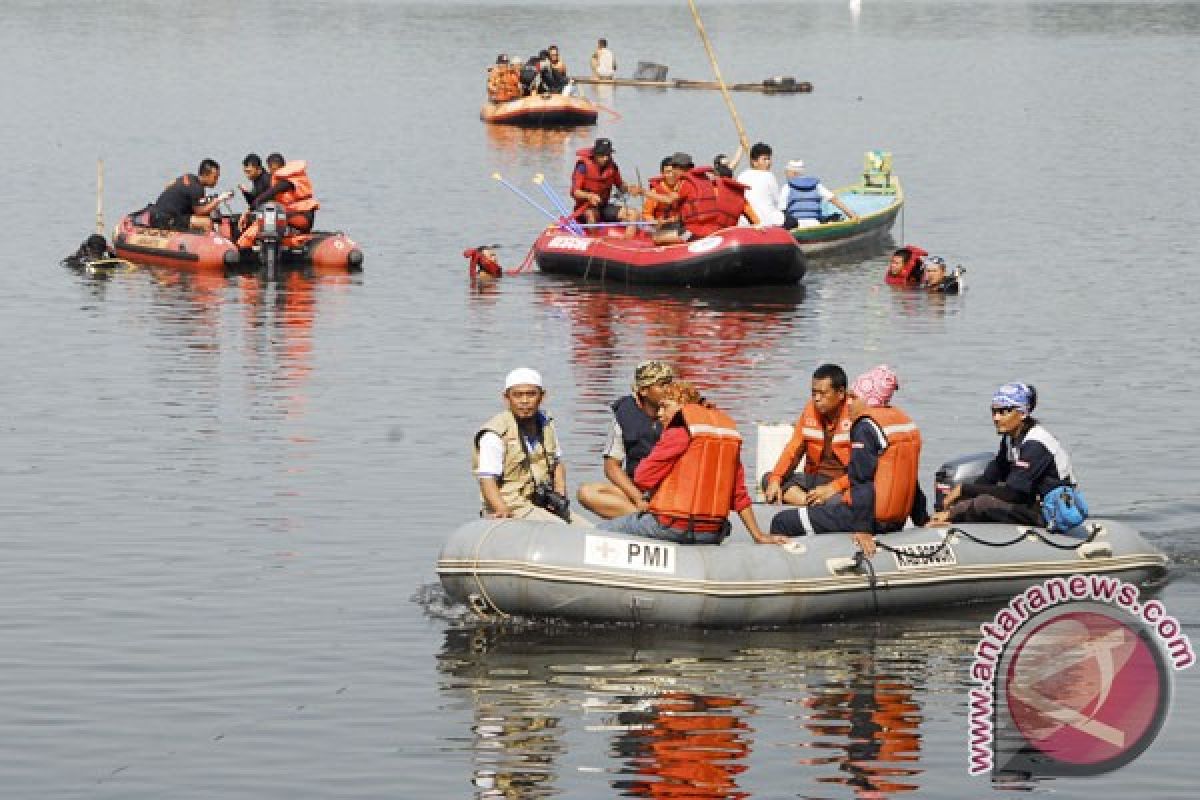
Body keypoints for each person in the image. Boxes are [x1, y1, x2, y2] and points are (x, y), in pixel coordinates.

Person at [599, 381, 788, 545]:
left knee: (599, 532)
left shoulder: (677, 433)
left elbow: (642, 478)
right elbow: (739, 495)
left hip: (670, 526)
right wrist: (758, 535)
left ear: (682, 406)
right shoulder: (727, 437)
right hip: (712, 532)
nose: (659, 414)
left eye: (665, 406)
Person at [770, 365, 928, 555]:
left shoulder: (865, 427)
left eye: (854, 397)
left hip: (865, 516)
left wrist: (863, 529)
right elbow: (910, 478)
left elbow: (861, 480)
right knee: (770, 478)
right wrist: (922, 519)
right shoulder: (901, 423)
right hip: (894, 518)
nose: (850, 403)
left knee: (781, 521)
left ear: (868, 399)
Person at [931, 383, 1075, 527]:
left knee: (983, 503)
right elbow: (990, 477)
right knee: (963, 492)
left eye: (1003, 412)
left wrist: (963, 492)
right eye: (993, 412)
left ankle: (950, 519)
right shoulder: (1010, 439)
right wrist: (959, 498)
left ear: (1023, 413)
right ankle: (940, 518)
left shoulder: (1036, 444)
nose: (996, 418)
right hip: (1028, 500)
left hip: (1050, 511)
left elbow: (1013, 493)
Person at [473, 368, 591, 525]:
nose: (524, 401)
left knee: (591, 531)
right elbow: (487, 480)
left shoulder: (546, 423)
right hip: (512, 505)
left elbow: (557, 463)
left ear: (542, 396)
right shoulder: (494, 434)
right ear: (506, 398)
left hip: (541, 502)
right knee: (563, 530)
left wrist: (559, 494)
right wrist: (502, 511)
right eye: (517, 395)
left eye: (531, 394)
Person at [577, 360, 675, 519]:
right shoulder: (625, 415)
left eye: (670, 384)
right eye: (662, 385)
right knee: (587, 492)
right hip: (639, 491)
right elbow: (611, 467)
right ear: (644, 390)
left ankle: (654, 518)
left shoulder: (681, 413)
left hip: (671, 492)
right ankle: (645, 518)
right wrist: (638, 498)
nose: (669, 390)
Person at [762, 363, 853, 507]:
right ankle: (811, 503)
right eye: (813, 393)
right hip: (814, 480)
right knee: (768, 479)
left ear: (841, 393)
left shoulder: (856, 414)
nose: (816, 399)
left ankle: (816, 503)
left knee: (847, 500)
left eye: (822, 393)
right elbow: (792, 450)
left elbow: (863, 470)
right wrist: (775, 480)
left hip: (843, 485)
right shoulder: (809, 411)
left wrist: (833, 488)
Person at [654, 154, 759, 244]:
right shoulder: (740, 197)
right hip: (723, 237)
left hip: (698, 236)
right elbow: (756, 222)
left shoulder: (705, 190)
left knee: (657, 237)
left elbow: (691, 212)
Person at [237, 153, 321, 248]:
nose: (272, 174)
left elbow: (267, 195)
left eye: (273, 170)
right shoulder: (288, 179)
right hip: (297, 216)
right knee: (270, 216)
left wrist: (250, 210)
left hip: (302, 218)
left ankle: (243, 245)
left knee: (269, 216)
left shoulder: (288, 182)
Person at [570, 138, 641, 225]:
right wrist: (589, 196)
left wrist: (630, 189)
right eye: (602, 155)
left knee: (633, 214)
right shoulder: (582, 167)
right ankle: (594, 238)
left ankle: (628, 238)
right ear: (595, 154)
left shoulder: (613, 167)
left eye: (608, 155)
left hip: (603, 207)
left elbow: (620, 186)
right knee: (591, 215)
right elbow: (575, 191)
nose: (605, 158)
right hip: (585, 208)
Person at [147, 159, 230, 232]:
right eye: (215, 177)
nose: (216, 181)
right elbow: (199, 212)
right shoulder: (197, 189)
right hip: (165, 219)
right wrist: (219, 199)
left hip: (156, 214)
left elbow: (169, 185)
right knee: (206, 222)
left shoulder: (188, 176)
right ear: (205, 175)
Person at [780, 159, 858, 229]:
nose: (785, 174)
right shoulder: (817, 185)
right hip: (815, 223)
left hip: (795, 225)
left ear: (793, 173)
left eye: (786, 172)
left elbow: (781, 209)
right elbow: (834, 199)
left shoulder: (787, 187)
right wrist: (850, 214)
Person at [736, 142, 785, 226]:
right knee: (791, 220)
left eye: (769, 159)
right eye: (764, 159)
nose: (768, 162)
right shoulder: (769, 176)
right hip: (766, 221)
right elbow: (778, 202)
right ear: (754, 162)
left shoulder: (741, 175)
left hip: (745, 222)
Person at [641, 156, 683, 231]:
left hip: (679, 224)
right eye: (668, 172)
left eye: (674, 172)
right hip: (662, 226)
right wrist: (654, 222)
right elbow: (646, 214)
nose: (671, 175)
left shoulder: (684, 187)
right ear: (662, 173)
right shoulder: (655, 192)